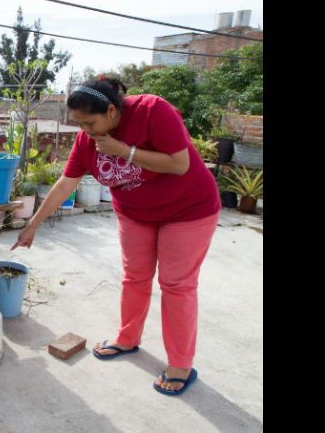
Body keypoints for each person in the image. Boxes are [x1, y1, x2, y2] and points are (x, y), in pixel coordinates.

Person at [11, 76, 220, 396]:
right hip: (136, 214)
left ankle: (181, 363)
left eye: (90, 122)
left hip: (188, 210)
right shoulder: (86, 141)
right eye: (79, 124)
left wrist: (124, 150)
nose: (86, 131)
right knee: (134, 277)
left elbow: (179, 164)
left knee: (176, 285)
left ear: (111, 110)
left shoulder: (152, 111)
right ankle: (127, 338)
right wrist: (33, 224)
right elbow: (66, 184)